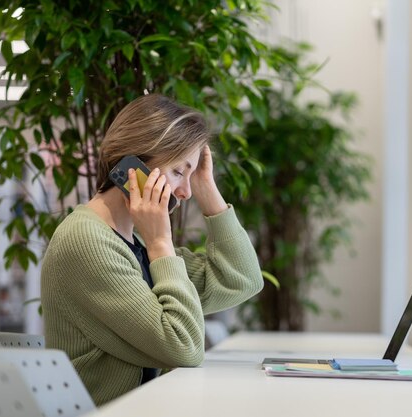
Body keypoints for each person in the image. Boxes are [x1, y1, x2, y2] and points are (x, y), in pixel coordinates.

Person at [40, 94, 264, 406]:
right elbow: (183, 347)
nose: (185, 192)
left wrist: (206, 187)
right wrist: (161, 243)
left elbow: (241, 279)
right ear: (134, 167)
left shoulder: (134, 245)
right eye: (177, 172)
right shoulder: (87, 241)